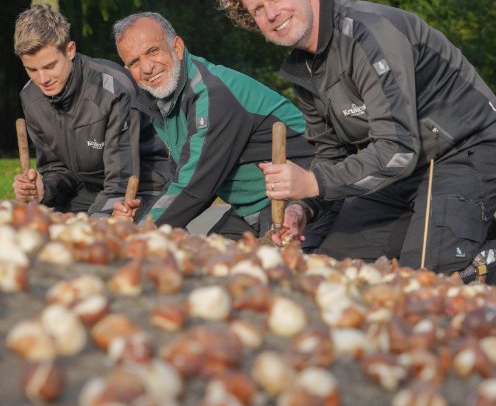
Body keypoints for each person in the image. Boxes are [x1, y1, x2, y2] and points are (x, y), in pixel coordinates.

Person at [218, 0, 496, 293]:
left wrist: (310, 183)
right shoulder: (303, 68)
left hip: (461, 152)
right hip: (394, 170)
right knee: (342, 276)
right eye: (258, 10)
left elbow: (398, 147)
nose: (271, 13)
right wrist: (302, 208)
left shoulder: (369, 34)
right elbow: (331, 157)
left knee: (429, 285)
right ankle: (462, 230)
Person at [111, 12, 332, 243]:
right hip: (250, 207)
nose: (147, 67)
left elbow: (195, 185)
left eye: (153, 51)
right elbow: (183, 178)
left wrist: (134, 233)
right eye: (134, 62)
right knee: (210, 256)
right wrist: (141, 215)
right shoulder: (162, 104)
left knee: (270, 269)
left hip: (302, 196)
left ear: (176, 47)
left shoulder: (211, 94)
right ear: (129, 72)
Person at [12, 4, 172, 219]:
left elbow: (121, 182)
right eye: (32, 70)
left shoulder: (114, 89)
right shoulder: (30, 97)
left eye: (50, 66)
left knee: (108, 243)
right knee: (39, 233)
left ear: (70, 50)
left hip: (142, 187)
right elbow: (57, 170)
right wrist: (44, 191)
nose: (42, 79)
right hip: (88, 190)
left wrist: (93, 225)